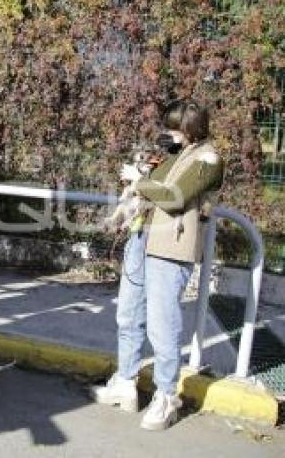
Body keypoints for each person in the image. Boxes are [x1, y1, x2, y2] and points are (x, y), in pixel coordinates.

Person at [92, 100, 223, 431]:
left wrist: (139, 179)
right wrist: (137, 184)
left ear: (189, 129)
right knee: (128, 314)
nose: (166, 132)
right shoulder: (171, 155)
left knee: (162, 325)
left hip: (170, 246)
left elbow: (176, 198)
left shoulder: (209, 159)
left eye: (172, 127)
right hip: (141, 240)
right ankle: (125, 382)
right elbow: (150, 190)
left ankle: (166, 397)